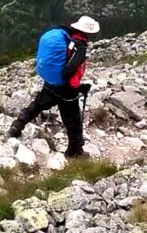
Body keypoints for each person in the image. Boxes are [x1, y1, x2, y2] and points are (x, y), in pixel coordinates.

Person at [7, 16, 100, 158]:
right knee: (73, 120)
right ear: (87, 32)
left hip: (52, 82)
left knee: (37, 105)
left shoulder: (66, 39)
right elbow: (69, 70)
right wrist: (74, 87)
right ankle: (74, 153)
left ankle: (16, 126)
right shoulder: (79, 46)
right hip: (65, 89)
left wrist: (77, 86)